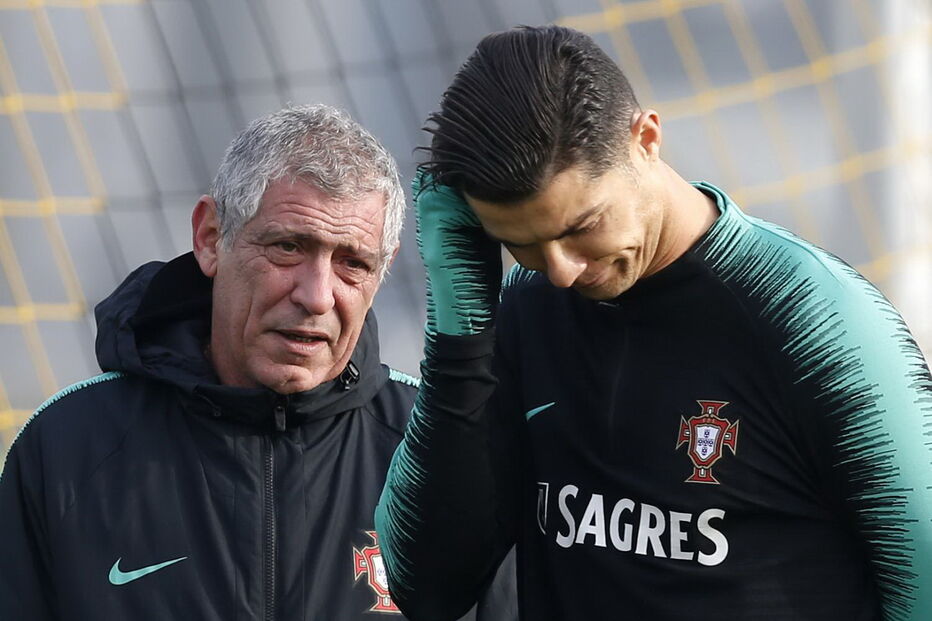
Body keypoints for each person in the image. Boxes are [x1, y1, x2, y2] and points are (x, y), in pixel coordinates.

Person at [376, 25, 932, 621]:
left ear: (646, 139)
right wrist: (459, 335)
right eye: (523, 243)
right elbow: (424, 586)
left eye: (580, 226)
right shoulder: (525, 312)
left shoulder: (815, 318)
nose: (561, 271)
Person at [0, 104, 515, 620]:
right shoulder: (65, 451)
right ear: (209, 239)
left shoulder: (449, 453)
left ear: (383, 272)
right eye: (289, 246)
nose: (317, 296)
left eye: (352, 263)